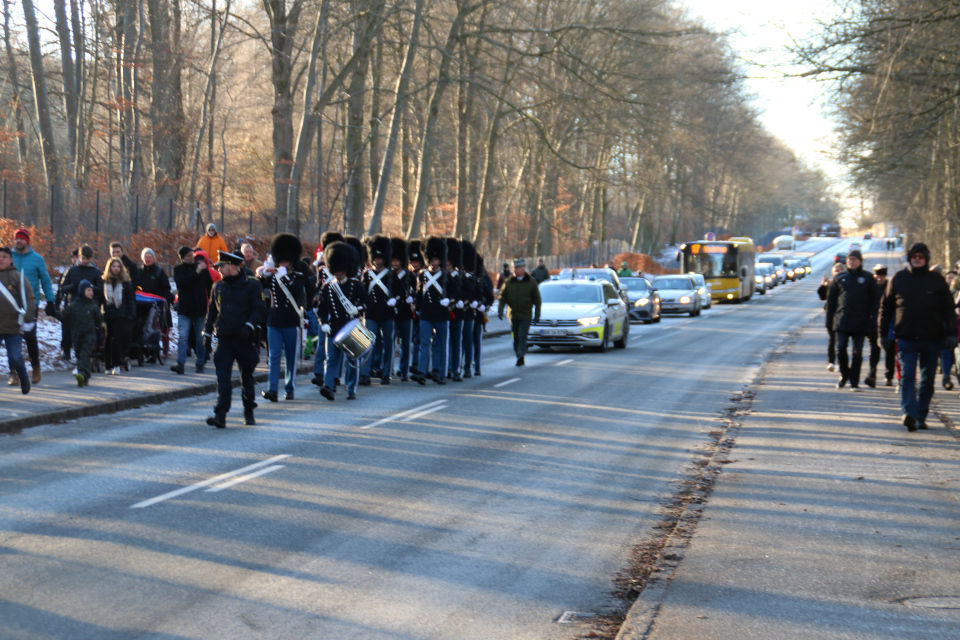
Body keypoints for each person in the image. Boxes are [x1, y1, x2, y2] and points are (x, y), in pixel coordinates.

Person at [879, 242, 958, 431]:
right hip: (906, 338)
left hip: (932, 338)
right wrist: (882, 334)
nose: (917, 259)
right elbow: (886, 308)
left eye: (920, 257)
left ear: (926, 259)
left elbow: (949, 309)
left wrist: (952, 334)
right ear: (909, 258)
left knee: (927, 379)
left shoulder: (936, 280)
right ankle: (909, 413)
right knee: (907, 376)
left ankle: (921, 415)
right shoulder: (899, 278)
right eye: (914, 256)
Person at [204, 250, 267, 428]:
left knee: (246, 376)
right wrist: (207, 334)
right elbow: (212, 313)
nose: (219, 270)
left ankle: (248, 410)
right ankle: (221, 414)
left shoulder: (252, 285)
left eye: (221, 266)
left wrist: (250, 326)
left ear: (231, 266)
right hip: (225, 338)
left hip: (244, 338)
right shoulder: (218, 287)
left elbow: (259, 310)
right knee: (222, 376)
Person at [317, 241, 371, 400]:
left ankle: (351, 389)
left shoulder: (355, 284)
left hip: (351, 328)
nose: (338, 273)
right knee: (331, 360)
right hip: (333, 328)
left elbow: (368, 302)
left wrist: (358, 309)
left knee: (352, 361)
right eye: (336, 269)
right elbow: (321, 308)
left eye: (341, 269)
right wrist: (323, 323)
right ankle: (328, 387)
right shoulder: (327, 287)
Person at [259, 233, 308, 401]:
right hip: (274, 320)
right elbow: (259, 284)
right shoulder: (273, 276)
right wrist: (265, 274)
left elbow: (295, 291)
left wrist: (283, 275)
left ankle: (289, 387)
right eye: (281, 260)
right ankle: (272, 389)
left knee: (290, 356)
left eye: (286, 261)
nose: (283, 264)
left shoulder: (298, 277)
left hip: (290, 320)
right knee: (273, 356)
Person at [826, 249, 876, 391]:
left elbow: (875, 301)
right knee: (840, 348)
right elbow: (831, 302)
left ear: (860, 261)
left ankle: (854, 381)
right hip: (842, 320)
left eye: (854, 259)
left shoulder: (867, 278)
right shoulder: (840, 277)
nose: (851, 262)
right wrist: (829, 322)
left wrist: (872, 320)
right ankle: (844, 374)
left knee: (857, 352)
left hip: (861, 321)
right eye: (849, 259)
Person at [11, 228, 53, 385]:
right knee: (12, 337)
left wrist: (51, 300)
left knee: (29, 337)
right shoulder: (8, 257)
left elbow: (46, 281)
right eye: (16, 239)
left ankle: (35, 367)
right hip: (11, 305)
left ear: (27, 241)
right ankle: (13, 372)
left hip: (30, 304)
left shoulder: (37, 259)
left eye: (21, 239)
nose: (18, 241)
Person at [360, 235, 400, 386]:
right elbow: (362, 292)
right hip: (371, 313)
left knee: (388, 344)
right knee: (367, 343)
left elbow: (401, 292)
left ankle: (386, 372)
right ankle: (365, 373)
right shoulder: (367, 274)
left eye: (379, 257)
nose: (377, 260)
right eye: (374, 257)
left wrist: (395, 298)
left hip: (387, 313)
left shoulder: (391, 274)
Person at [412, 236, 452, 385]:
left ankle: (438, 372)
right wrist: (417, 308)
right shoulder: (422, 275)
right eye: (431, 259)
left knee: (440, 344)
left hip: (441, 313)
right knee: (424, 343)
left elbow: (455, 293)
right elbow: (419, 294)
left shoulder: (446, 275)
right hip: (426, 313)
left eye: (435, 259)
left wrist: (450, 300)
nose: (433, 262)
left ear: (440, 260)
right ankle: (422, 372)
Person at [171, 246, 213, 374]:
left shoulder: (202, 269)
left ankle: (200, 362)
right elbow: (181, 283)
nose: (192, 257)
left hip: (199, 308)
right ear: (182, 257)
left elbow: (210, 286)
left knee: (200, 338)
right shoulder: (178, 269)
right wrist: (196, 272)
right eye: (188, 255)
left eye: (192, 255)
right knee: (183, 336)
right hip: (185, 308)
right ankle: (180, 363)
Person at [0, 245, 35, 394]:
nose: (0, 259)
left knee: (15, 358)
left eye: (4, 257)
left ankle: (23, 377)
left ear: (10, 260)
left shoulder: (18, 277)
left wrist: (28, 319)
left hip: (13, 326)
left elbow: (30, 297)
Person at [310, 231, 343, 387]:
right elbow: (317, 287)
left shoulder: (344, 270)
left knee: (337, 344)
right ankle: (318, 372)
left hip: (340, 310)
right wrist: (317, 299)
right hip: (326, 309)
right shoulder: (322, 270)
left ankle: (335, 375)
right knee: (322, 342)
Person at [497, 258, 541, 366]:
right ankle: (518, 353)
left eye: (517, 268)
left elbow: (537, 300)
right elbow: (503, 297)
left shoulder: (531, 282)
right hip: (513, 315)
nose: (515, 270)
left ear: (522, 269)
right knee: (516, 336)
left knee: (522, 335)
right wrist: (500, 310)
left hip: (525, 314)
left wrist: (537, 315)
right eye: (514, 268)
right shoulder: (509, 281)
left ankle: (521, 355)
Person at [101, 257, 135, 375]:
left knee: (116, 339)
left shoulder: (126, 283)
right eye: (114, 266)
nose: (116, 269)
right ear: (109, 268)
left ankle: (116, 364)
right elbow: (101, 299)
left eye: (118, 266)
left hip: (121, 314)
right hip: (108, 314)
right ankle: (108, 365)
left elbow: (131, 300)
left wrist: (131, 314)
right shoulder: (105, 282)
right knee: (108, 339)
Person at [138, 248, 174, 357]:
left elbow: (166, 288)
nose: (148, 259)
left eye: (150, 257)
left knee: (162, 326)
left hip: (158, 304)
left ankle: (164, 350)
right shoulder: (139, 272)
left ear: (153, 258)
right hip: (143, 304)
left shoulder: (159, 271)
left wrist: (163, 299)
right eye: (146, 257)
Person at [68, 279, 103, 386]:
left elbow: (99, 319)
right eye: (88, 290)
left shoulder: (94, 306)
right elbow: (65, 316)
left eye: (92, 290)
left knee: (85, 355)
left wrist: (98, 327)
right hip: (77, 334)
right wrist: (53, 312)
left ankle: (82, 375)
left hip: (89, 335)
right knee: (79, 355)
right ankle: (85, 377)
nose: (91, 292)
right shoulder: (74, 305)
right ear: (82, 291)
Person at [866, 265, 895, 387]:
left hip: (888, 324)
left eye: (882, 276)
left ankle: (889, 376)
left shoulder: (890, 287)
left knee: (890, 351)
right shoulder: (870, 288)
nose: (879, 278)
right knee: (874, 350)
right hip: (873, 324)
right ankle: (872, 373)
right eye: (877, 276)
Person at [391, 237, 415, 381]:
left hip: (405, 312)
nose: (395, 263)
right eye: (393, 261)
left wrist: (412, 297)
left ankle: (404, 369)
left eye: (397, 261)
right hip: (391, 312)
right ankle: (389, 368)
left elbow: (415, 290)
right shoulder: (388, 275)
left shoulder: (409, 275)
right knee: (389, 342)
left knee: (406, 343)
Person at [445, 238, 466, 382]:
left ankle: (456, 369)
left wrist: (461, 301)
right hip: (442, 313)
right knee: (443, 343)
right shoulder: (439, 276)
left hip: (457, 313)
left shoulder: (460, 276)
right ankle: (445, 368)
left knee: (456, 343)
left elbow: (468, 293)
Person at [818, 262, 845, 372]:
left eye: (839, 270)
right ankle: (831, 362)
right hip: (831, 315)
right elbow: (822, 297)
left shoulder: (846, 283)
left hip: (842, 315)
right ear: (832, 272)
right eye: (835, 270)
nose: (837, 272)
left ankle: (840, 362)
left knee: (840, 341)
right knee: (832, 340)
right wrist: (823, 286)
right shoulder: (829, 284)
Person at [472, 254, 494, 376]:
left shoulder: (483, 277)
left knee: (476, 341)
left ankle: (477, 366)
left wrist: (484, 306)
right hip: (465, 314)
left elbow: (489, 295)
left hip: (478, 314)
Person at [460, 241, 480, 378]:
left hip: (468, 313)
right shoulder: (455, 277)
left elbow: (483, 294)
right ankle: (455, 366)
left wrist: (478, 303)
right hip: (456, 313)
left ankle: (468, 367)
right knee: (456, 342)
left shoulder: (476, 278)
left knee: (468, 341)